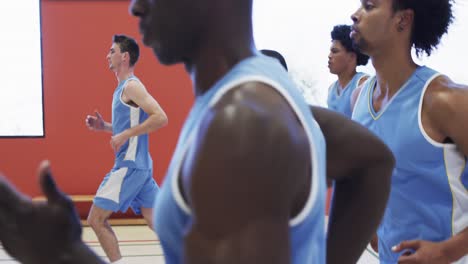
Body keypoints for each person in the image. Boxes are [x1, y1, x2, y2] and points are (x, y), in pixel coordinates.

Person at [0, 0, 395, 263]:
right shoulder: (260, 85)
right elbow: (371, 160)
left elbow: (374, 162)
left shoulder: (240, 127)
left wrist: (64, 254)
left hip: (132, 166)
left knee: (108, 220)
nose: (136, 6)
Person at [350, 0, 468, 263]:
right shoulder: (359, 98)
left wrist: (447, 251)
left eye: (369, 6)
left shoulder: (445, 100)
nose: (355, 15)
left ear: (402, 20)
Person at [85, 34, 168, 263]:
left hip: (129, 167)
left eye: (112, 51)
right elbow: (127, 126)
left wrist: (126, 134)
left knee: (95, 219)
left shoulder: (131, 86)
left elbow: (160, 117)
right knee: (159, 222)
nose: (107, 55)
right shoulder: (122, 89)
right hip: (141, 168)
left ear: (125, 56)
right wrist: (105, 127)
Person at [327, 24, 369, 118]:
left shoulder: (364, 84)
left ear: (351, 57)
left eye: (335, 51)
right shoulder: (331, 90)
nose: (329, 56)